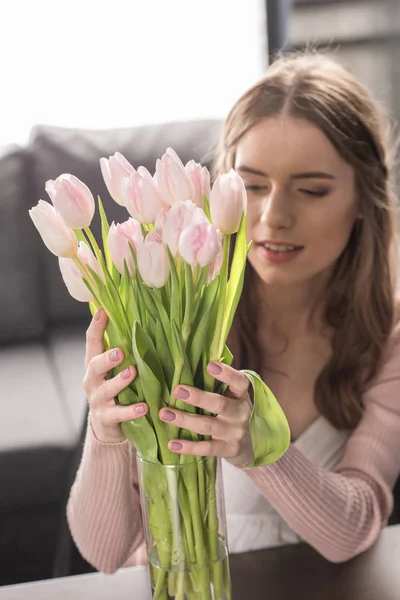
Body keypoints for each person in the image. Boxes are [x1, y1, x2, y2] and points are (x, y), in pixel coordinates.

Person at [67, 51, 400, 571]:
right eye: (252, 185)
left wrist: (258, 449)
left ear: (364, 198)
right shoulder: (172, 316)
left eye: (311, 190)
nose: (274, 216)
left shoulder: (387, 339)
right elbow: (105, 555)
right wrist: (106, 434)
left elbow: (353, 529)